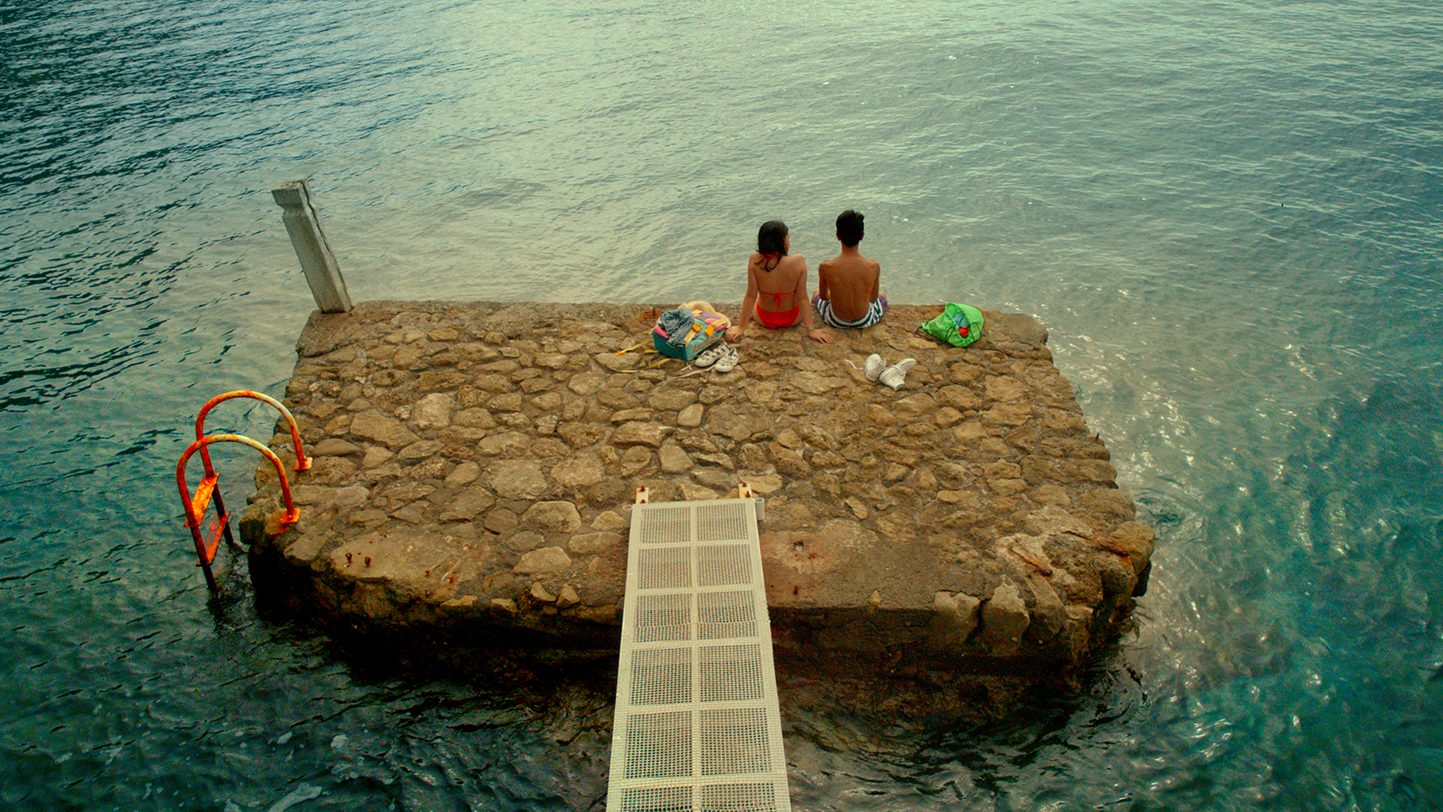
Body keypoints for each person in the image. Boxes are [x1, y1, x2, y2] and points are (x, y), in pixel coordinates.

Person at [724, 220, 831, 343]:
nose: (789, 242)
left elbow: (750, 296)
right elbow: (802, 298)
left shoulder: (755, 259)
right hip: (793, 319)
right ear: (782, 242)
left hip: (764, 319)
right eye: (788, 239)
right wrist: (810, 329)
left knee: (758, 296)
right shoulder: (798, 261)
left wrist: (741, 327)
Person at [814, 209, 886, 329]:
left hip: (835, 320)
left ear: (838, 236)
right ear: (862, 236)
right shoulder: (873, 266)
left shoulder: (826, 266)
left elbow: (823, 296)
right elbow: (873, 298)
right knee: (882, 295)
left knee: (815, 293)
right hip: (864, 320)